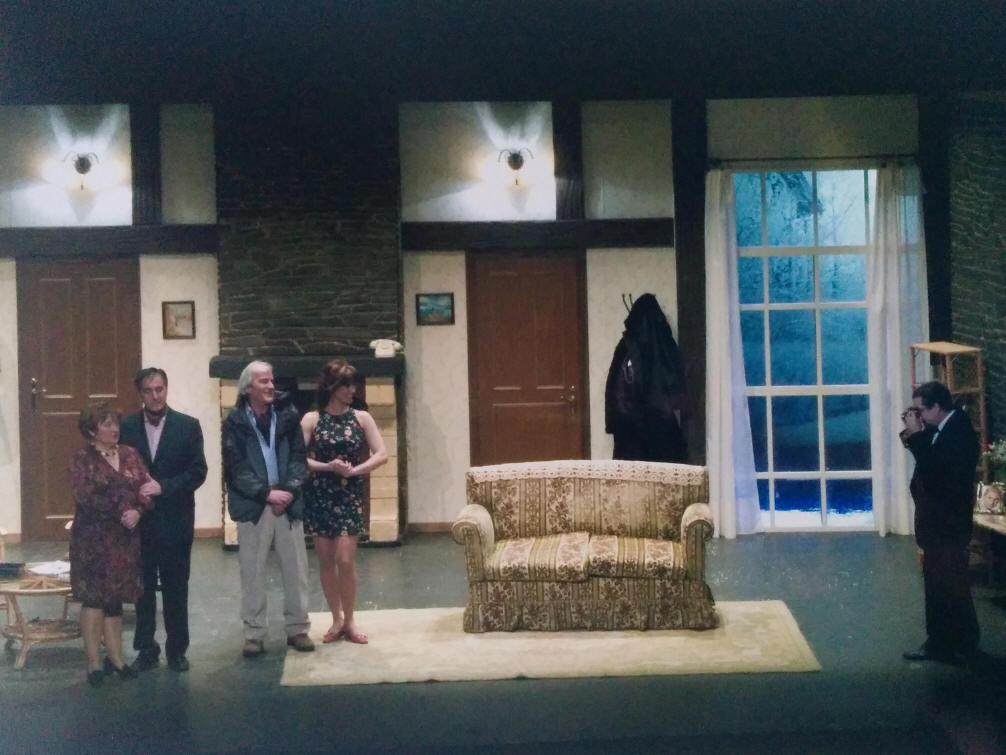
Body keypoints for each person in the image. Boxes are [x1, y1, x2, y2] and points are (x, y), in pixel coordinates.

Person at [222, 360, 314, 657]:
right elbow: (236, 468)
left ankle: (298, 628)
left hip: (287, 500)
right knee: (252, 572)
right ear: (247, 388)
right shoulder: (234, 422)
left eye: (272, 380)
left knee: (296, 569)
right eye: (264, 381)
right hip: (254, 504)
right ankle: (254, 633)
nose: (271, 386)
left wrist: (287, 491)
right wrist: (266, 494)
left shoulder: (287, 414)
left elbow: (299, 457)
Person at [119, 367, 207, 673]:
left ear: (166, 389)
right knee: (142, 589)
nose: (155, 396)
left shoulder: (187, 426)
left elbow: (198, 472)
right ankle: (146, 649)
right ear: (140, 394)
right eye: (148, 391)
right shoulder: (126, 427)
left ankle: (177, 650)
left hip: (175, 519)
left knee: (176, 587)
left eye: (160, 389)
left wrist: (164, 487)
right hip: (140, 523)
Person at [69, 403, 158, 687]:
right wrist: (122, 511)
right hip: (93, 540)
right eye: (107, 424)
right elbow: (85, 496)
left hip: (124, 540)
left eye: (115, 423)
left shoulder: (131, 454)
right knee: (94, 598)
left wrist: (139, 511)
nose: (114, 429)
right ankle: (94, 663)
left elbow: (146, 488)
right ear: (92, 430)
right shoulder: (82, 459)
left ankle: (118, 659)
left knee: (115, 599)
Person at [301, 360, 387, 644]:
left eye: (354, 385)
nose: (353, 390)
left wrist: (355, 470)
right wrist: (328, 466)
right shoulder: (312, 419)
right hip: (321, 494)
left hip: (350, 493)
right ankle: (336, 618)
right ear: (332, 387)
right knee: (326, 561)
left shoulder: (362, 418)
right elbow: (298, 459)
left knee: (345, 559)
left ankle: (350, 619)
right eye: (347, 385)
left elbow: (382, 454)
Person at [899, 380, 981, 666]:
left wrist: (917, 435)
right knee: (937, 585)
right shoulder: (940, 428)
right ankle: (940, 642)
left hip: (948, 523)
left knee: (951, 586)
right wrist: (915, 433)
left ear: (936, 408)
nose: (917, 416)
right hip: (936, 522)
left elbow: (937, 470)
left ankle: (960, 644)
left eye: (920, 410)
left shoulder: (958, 432)